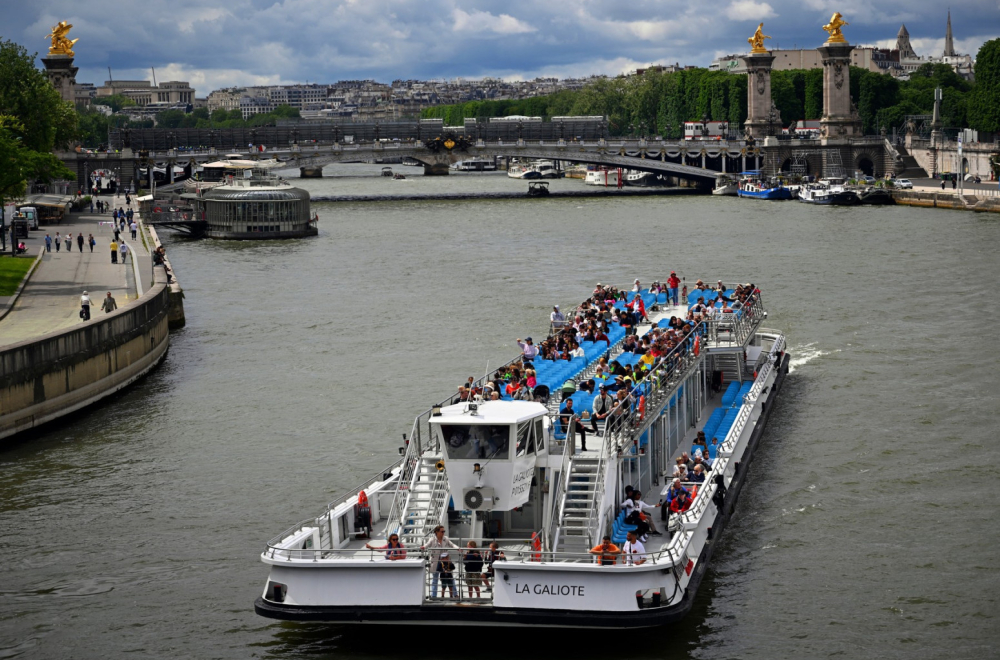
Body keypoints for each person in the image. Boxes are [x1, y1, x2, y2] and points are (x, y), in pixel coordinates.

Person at [421, 525, 459, 598]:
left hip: (445, 562)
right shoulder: (432, 539)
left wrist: (457, 548)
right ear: (436, 532)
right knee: (435, 579)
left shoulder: (446, 539)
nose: (443, 533)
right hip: (436, 562)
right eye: (442, 531)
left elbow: (452, 544)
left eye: (444, 531)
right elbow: (427, 544)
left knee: (450, 578)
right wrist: (424, 547)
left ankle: (455, 594)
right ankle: (434, 595)